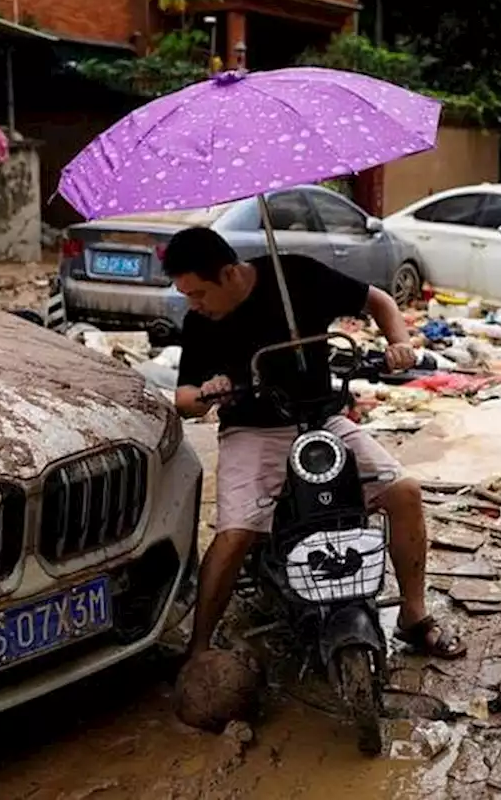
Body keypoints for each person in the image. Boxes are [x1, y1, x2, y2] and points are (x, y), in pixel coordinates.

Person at [166, 226, 466, 661]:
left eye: (198, 293)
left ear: (229, 273)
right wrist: (208, 394)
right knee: (234, 535)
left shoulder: (297, 276)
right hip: (251, 430)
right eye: (187, 295)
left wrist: (399, 343)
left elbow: (378, 300)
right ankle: (199, 648)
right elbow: (183, 399)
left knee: (404, 492)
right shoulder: (200, 322)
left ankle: (413, 617)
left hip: (320, 419)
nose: (194, 304)